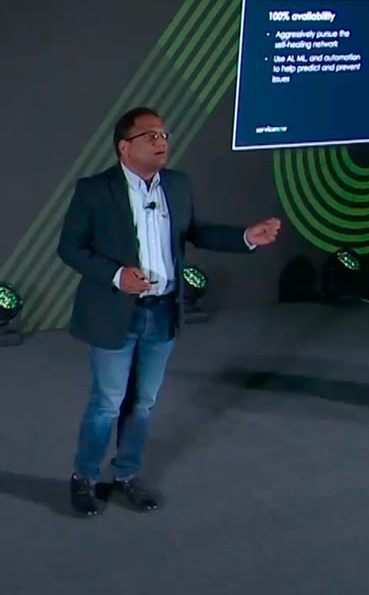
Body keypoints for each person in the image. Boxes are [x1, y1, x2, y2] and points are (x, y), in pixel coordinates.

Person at [56, 106, 280, 517]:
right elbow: (70, 248)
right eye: (150, 136)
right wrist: (117, 275)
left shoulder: (177, 184)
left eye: (163, 134)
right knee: (107, 402)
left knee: (143, 402)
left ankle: (126, 475)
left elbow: (195, 231)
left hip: (162, 313)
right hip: (115, 313)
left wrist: (246, 237)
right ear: (124, 148)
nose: (161, 141)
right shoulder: (95, 190)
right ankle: (84, 477)